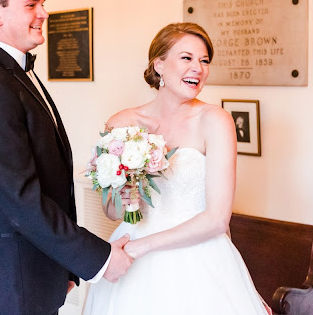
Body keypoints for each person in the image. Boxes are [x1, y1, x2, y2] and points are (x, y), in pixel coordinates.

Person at [0, 0, 132, 315]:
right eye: (32, 5)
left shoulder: (12, 74)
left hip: (33, 268)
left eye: (42, 4)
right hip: (9, 278)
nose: (44, 13)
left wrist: (61, 265)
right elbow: (21, 200)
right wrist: (100, 260)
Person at [83, 22, 270, 315]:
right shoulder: (122, 123)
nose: (198, 67)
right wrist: (126, 197)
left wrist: (141, 247)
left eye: (204, 60)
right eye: (187, 58)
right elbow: (110, 210)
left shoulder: (215, 121)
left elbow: (217, 220)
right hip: (128, 257)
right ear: (159, 64)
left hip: (197, 258)